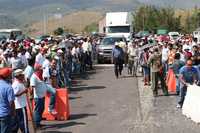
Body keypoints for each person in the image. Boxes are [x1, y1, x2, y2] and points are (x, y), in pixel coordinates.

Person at [0, 67, 15, 133]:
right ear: (7, 76)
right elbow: (11, 102)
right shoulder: (8, 87)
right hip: (5, 114)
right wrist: (13, 113)